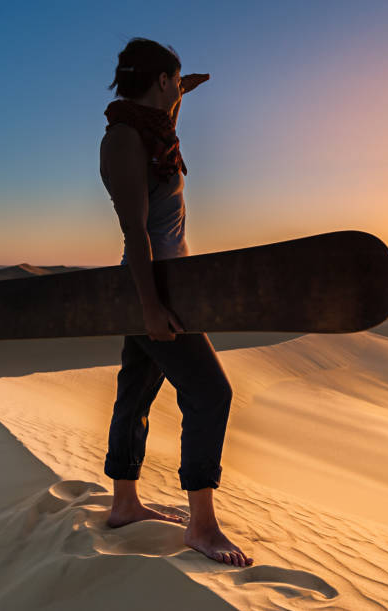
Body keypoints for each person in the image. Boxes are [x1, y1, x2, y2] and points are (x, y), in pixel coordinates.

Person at [99, 37, 253, 567]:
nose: (178, 93)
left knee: (136, 391)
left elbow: (164, 102)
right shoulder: (125, 139)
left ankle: (123, 505)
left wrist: (183, 88)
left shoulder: (151, 129)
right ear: (159, 80)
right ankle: (202, 526)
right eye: (174, 82)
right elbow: (135, 231)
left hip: (158, 287)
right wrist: (149, 306)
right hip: (152, 287)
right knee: (211, 391)